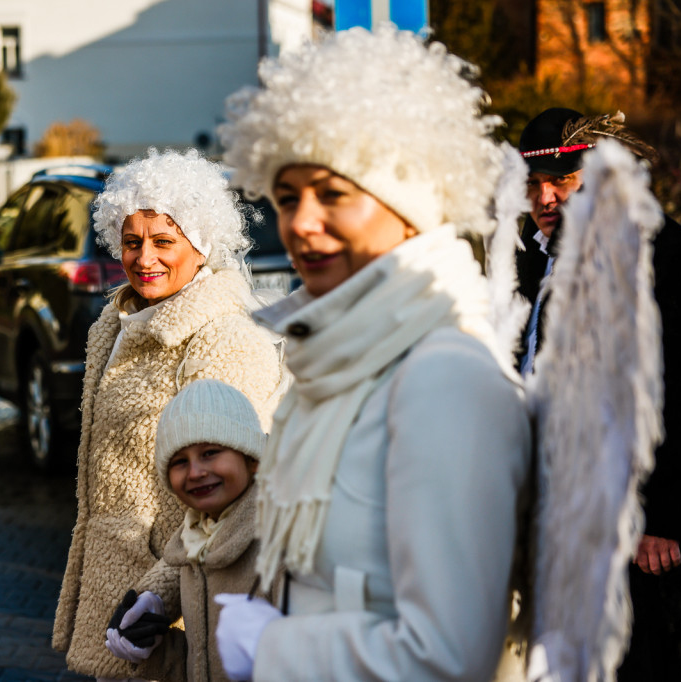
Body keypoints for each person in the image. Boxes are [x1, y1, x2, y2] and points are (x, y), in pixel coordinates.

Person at [211, 25, 532, 681]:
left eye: (333, 194)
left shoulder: (444, 378)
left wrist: (272, 650)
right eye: (286, 197)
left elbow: (448, 658)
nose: (300, 222)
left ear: (407, 208)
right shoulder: (332, 364)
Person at [51, 148, 284, 681]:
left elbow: (234, 492)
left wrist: (159, 597)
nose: (144, 258)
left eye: (164, 242)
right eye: (132, 242)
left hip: (181, 600)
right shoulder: (114, 325)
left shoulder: (224, 336)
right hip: (116, 586)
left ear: (200, 245)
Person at [514, 107, 681, 680]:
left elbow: (676, 387)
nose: (545, 198)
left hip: (637, 541)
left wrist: (662, 516)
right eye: (533, 184)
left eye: (561, 180)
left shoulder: (658, 254)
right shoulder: (532, 264)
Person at [105, 379, 283, 682]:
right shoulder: (195, 541)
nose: (196, 472)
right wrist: (148, 646)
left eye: (210, 452)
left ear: (252, 459)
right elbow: (202, 661)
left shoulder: (281, 542)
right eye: (179, 462)